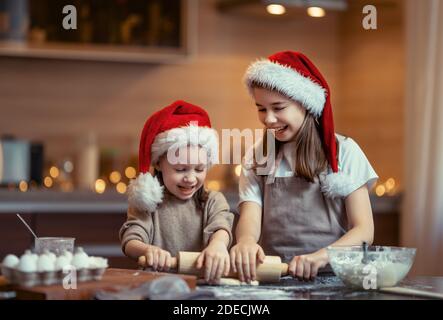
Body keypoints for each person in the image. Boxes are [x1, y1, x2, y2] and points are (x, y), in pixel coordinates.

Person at [230, 51, 378, 282]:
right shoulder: (258, 154)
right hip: (275, 277)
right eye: (261, 108)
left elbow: (364, 231)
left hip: (335, 277)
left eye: (278, 108)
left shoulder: (345, 151)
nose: (268, 119)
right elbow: (250, 216)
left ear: (306, 104)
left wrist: (320, 257)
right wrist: (246, 242)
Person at [120, 100, 234, 284]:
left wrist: (218, 245)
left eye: (199, 169)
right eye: (180, 169)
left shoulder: (213, 201)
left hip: (202, 287)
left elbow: (221, 227)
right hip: (156, 286)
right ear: (158, 163)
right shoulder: (146, 203)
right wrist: (147, 250)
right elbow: (131, 239)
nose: (190, 178)